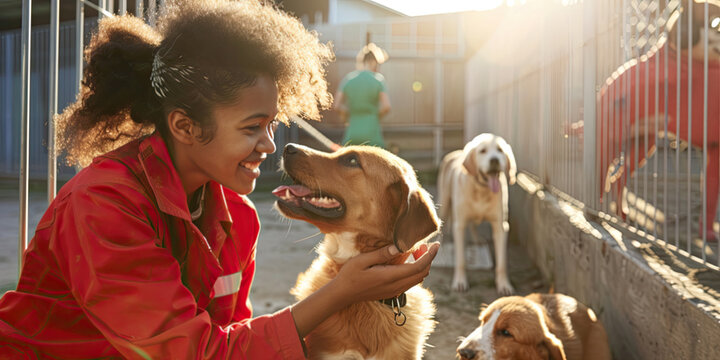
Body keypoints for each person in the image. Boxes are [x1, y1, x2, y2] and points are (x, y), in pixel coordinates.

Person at [0, 1, 439, 358]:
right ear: (185, 127)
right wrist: (341, 292)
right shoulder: (102, 205)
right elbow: (197, 354)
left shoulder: (239, 219)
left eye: (271, 124)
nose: (270, 146)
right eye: (251, 128)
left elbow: (235, 340)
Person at [597, 1, 720, 241]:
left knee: (641, 150)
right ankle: (600, 199)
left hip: (662, 105)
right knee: (615, 152)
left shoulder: (708, 74)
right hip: (630, 104)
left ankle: (705, 224)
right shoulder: (651, 74)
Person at [333, 43, 391, 148]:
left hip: (352, 132)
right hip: (372, 132)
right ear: (374, 62)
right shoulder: (379, 80)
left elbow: (337, 106)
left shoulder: (348, 79)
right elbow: (386, 107)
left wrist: (348, 116)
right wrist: (375, 115)